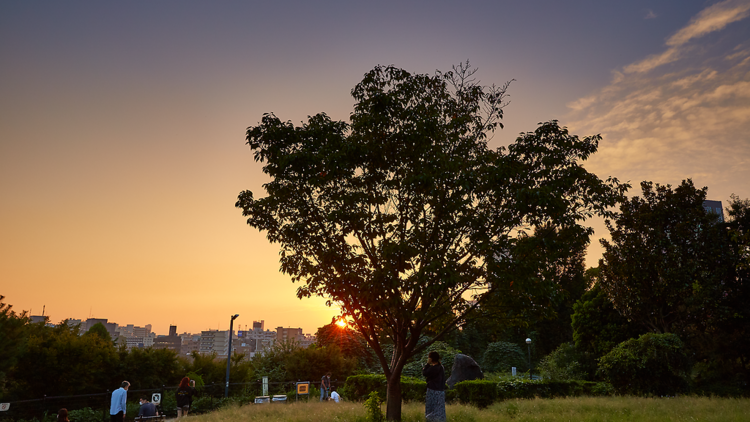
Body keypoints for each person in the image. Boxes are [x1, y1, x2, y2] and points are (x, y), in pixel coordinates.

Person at [423, 352, 446, 422]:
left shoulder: (433, 368)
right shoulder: (441, 367)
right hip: (441, 391)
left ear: (431, 359)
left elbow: (424, 373)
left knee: (431, 410)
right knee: (439, 411)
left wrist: (427, 364)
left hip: (432, 391)